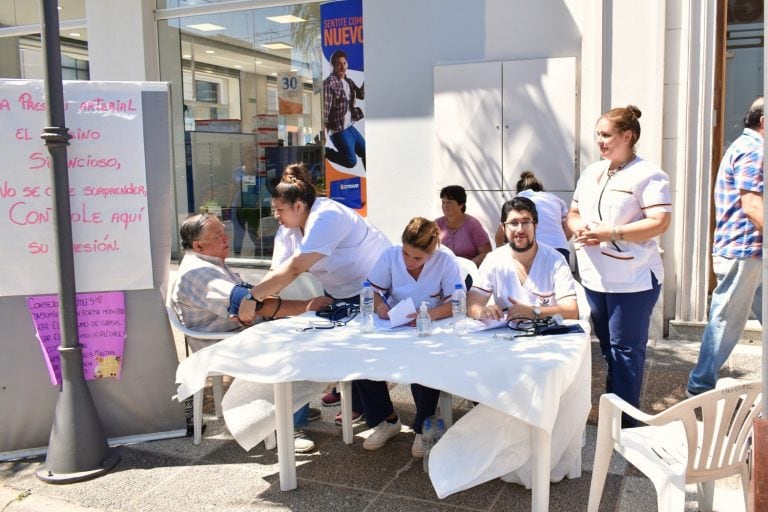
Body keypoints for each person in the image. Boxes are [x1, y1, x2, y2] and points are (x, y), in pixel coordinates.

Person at [172, 213, 332, 452]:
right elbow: (250, 304)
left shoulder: (212, 263)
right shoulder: (199, 273)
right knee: (292, 347)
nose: (226, 238)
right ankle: (285, 426)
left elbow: (253, 297)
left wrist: (297, 306)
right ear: (198, 245)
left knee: (299, 332)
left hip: (236, 331)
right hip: (218, 343)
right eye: (218, 235)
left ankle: (292, 405)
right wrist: (304, 306)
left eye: (224, 231)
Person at [250, 163, 391, 420]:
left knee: (362, 347)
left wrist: (252, 298)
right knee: (347, 346)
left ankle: (382, 418)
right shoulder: (288, 227)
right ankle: (357, 403)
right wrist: (255, 296)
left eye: (280, 210)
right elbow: (277, 270)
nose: (276, 216)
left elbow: (294, 269)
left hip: (374, 283)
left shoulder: (327, 216)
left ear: (299, 206)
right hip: (340, 285)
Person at [566, 105, 671, 426]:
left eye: (606, 134)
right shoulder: (591, 172)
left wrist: (610, 233)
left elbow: (659, 221)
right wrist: (580, 229)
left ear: (628, 136)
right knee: (609, 350)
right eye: (597, 134)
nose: (599, 141)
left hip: (633, 280)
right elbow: (572, 214)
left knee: (626, 352)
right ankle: (614, 409)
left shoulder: (649, 174)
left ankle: (626, 424)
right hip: (595, 280)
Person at [354, 217, 463, 454]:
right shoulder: (390, 256)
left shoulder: (445, 261)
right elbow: (371, 291)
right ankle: (387, 420)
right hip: (395, 325)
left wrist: (429, 315)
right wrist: (381, 307)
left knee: (424, 360)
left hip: (428, 327)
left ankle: (423, 427)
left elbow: (457, 302)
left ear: (432, 252)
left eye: (418, 258)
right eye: (406, 254)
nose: (409, 262)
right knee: (362, 355)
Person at [687, 97, 764, 397]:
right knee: (726, 321)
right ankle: (699, 388)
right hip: (744, 251)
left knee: (728, 319)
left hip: (751, 252)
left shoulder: (745, 148)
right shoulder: (754, 151)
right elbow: (752, 205)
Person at [468, 197, 578, 322]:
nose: (520, 229)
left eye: (526, 222)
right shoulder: (493, 259)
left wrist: (534, 312)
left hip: (546, 336)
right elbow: (472, 303)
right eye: (513, 223)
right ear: (503, 228)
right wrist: (483, 312)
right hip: (506, 336)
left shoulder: (555, 260)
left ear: (535, 226)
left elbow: (571, 310)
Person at [493, 171, 572, 261]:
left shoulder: (518, 201)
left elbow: (499, 236)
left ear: (519, 190)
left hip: (534, 250)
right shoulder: (555, 199)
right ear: (540, 188)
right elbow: (569, 229)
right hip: (560, 249)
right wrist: (556, 240)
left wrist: (501, 257)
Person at [323, 50, 366, 169]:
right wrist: (324, 134)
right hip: (339, 130)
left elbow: (361, 95)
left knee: (367, 153)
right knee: (350, 161)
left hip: (350, 127)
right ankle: (324, 152)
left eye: (344, 63)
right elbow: (325, 111)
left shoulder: (348, 81)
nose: (342, 67)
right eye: (338, 64)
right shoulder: (328, 84)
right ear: (333, 66)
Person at [435, 185, 492, 267]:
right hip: (442, 272)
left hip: (468, 275)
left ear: (461, 204)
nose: (444, 206)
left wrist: (467, 268)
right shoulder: (436, 224)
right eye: (443, 202)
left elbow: (486, 253)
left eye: (449, 202)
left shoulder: (473, 225)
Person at [229, 145, 264, 257]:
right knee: (238, 234)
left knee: (253, 233)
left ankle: (258, 258)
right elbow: (233, 188)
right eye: (247, 157)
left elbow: (261, 190)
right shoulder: (238, 171)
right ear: (244, 158)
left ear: (254, 159)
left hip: (252, 208)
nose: (249, 159)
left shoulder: (257, 172)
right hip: (238, 207)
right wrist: (229, 204)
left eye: (252, 158)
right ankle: (237, 258)